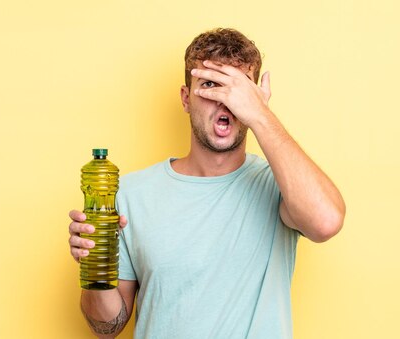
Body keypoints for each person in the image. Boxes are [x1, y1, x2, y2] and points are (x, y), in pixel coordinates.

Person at [68, 28, 345, 338]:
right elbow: (107, 326)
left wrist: (260, 115)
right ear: (186, 99)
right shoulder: (132, 195)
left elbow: (326, 221)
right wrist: (94, 266)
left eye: (236, 89)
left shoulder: (279, 187)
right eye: (210, 85)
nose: (224, 101)